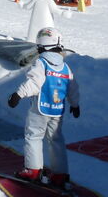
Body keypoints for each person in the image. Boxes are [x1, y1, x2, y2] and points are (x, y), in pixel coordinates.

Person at [7, 27, 80, 189]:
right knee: (56, 140)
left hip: (40, 109)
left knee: (34, 136)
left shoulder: (42, 63)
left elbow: (34, 83)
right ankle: (60, 174)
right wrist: (75, 104)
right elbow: (72, 87)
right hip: (57, 111)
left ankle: (33, 170)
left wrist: (18, 94)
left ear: (42, 46)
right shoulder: (65, 68)